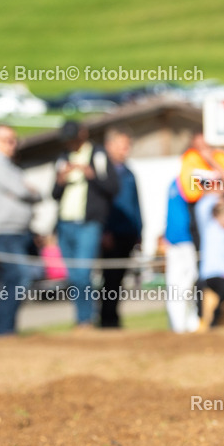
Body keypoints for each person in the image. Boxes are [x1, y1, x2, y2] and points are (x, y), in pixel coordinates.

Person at [52, 120, 119, 328]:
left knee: (82, 272)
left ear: (82, 134)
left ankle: (85, 319)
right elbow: (53, 194)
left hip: (89, 223)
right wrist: (60, 181)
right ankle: (82, 317)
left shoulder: (98, 155)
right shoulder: (62, 157)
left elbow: (113, 187)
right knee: (73, 276)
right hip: (65, 223)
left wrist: (92, 176)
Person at [0, 125, 41, 335]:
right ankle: (2, 329)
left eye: (14, 140)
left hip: (18, 230)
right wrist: (25, 191)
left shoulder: (9, 165)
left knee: (14, 278)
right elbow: (24, 190)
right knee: (18, 277)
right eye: (7, 140)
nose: (13, 145)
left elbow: (36, 194)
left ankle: (5, 328)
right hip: (5, 231)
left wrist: (26, 193)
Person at [99, 126, 142, 329]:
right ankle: (106, 319)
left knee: (119, 280)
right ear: (109, 146)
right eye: (121, 145)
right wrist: (105, 230)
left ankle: (113, 318)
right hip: (111, 234)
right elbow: (103, 205)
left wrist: (139, 231)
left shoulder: (129, 173)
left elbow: (135, 204)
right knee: (109, 278)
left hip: (127, 233)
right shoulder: (104, 174)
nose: (126, 149)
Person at [194, 186, 224, 330]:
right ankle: (214, 317)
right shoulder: (209, 228)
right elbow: (202, 208)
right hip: (212, 275)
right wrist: (217, 195)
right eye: (223, 215)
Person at [163, 176, 200, 333]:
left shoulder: (180, 182)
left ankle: (190, 323)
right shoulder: (182, 182)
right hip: (179, 243)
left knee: (188, 284)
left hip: (185, 242)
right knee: (179, 286)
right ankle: (179, 326)